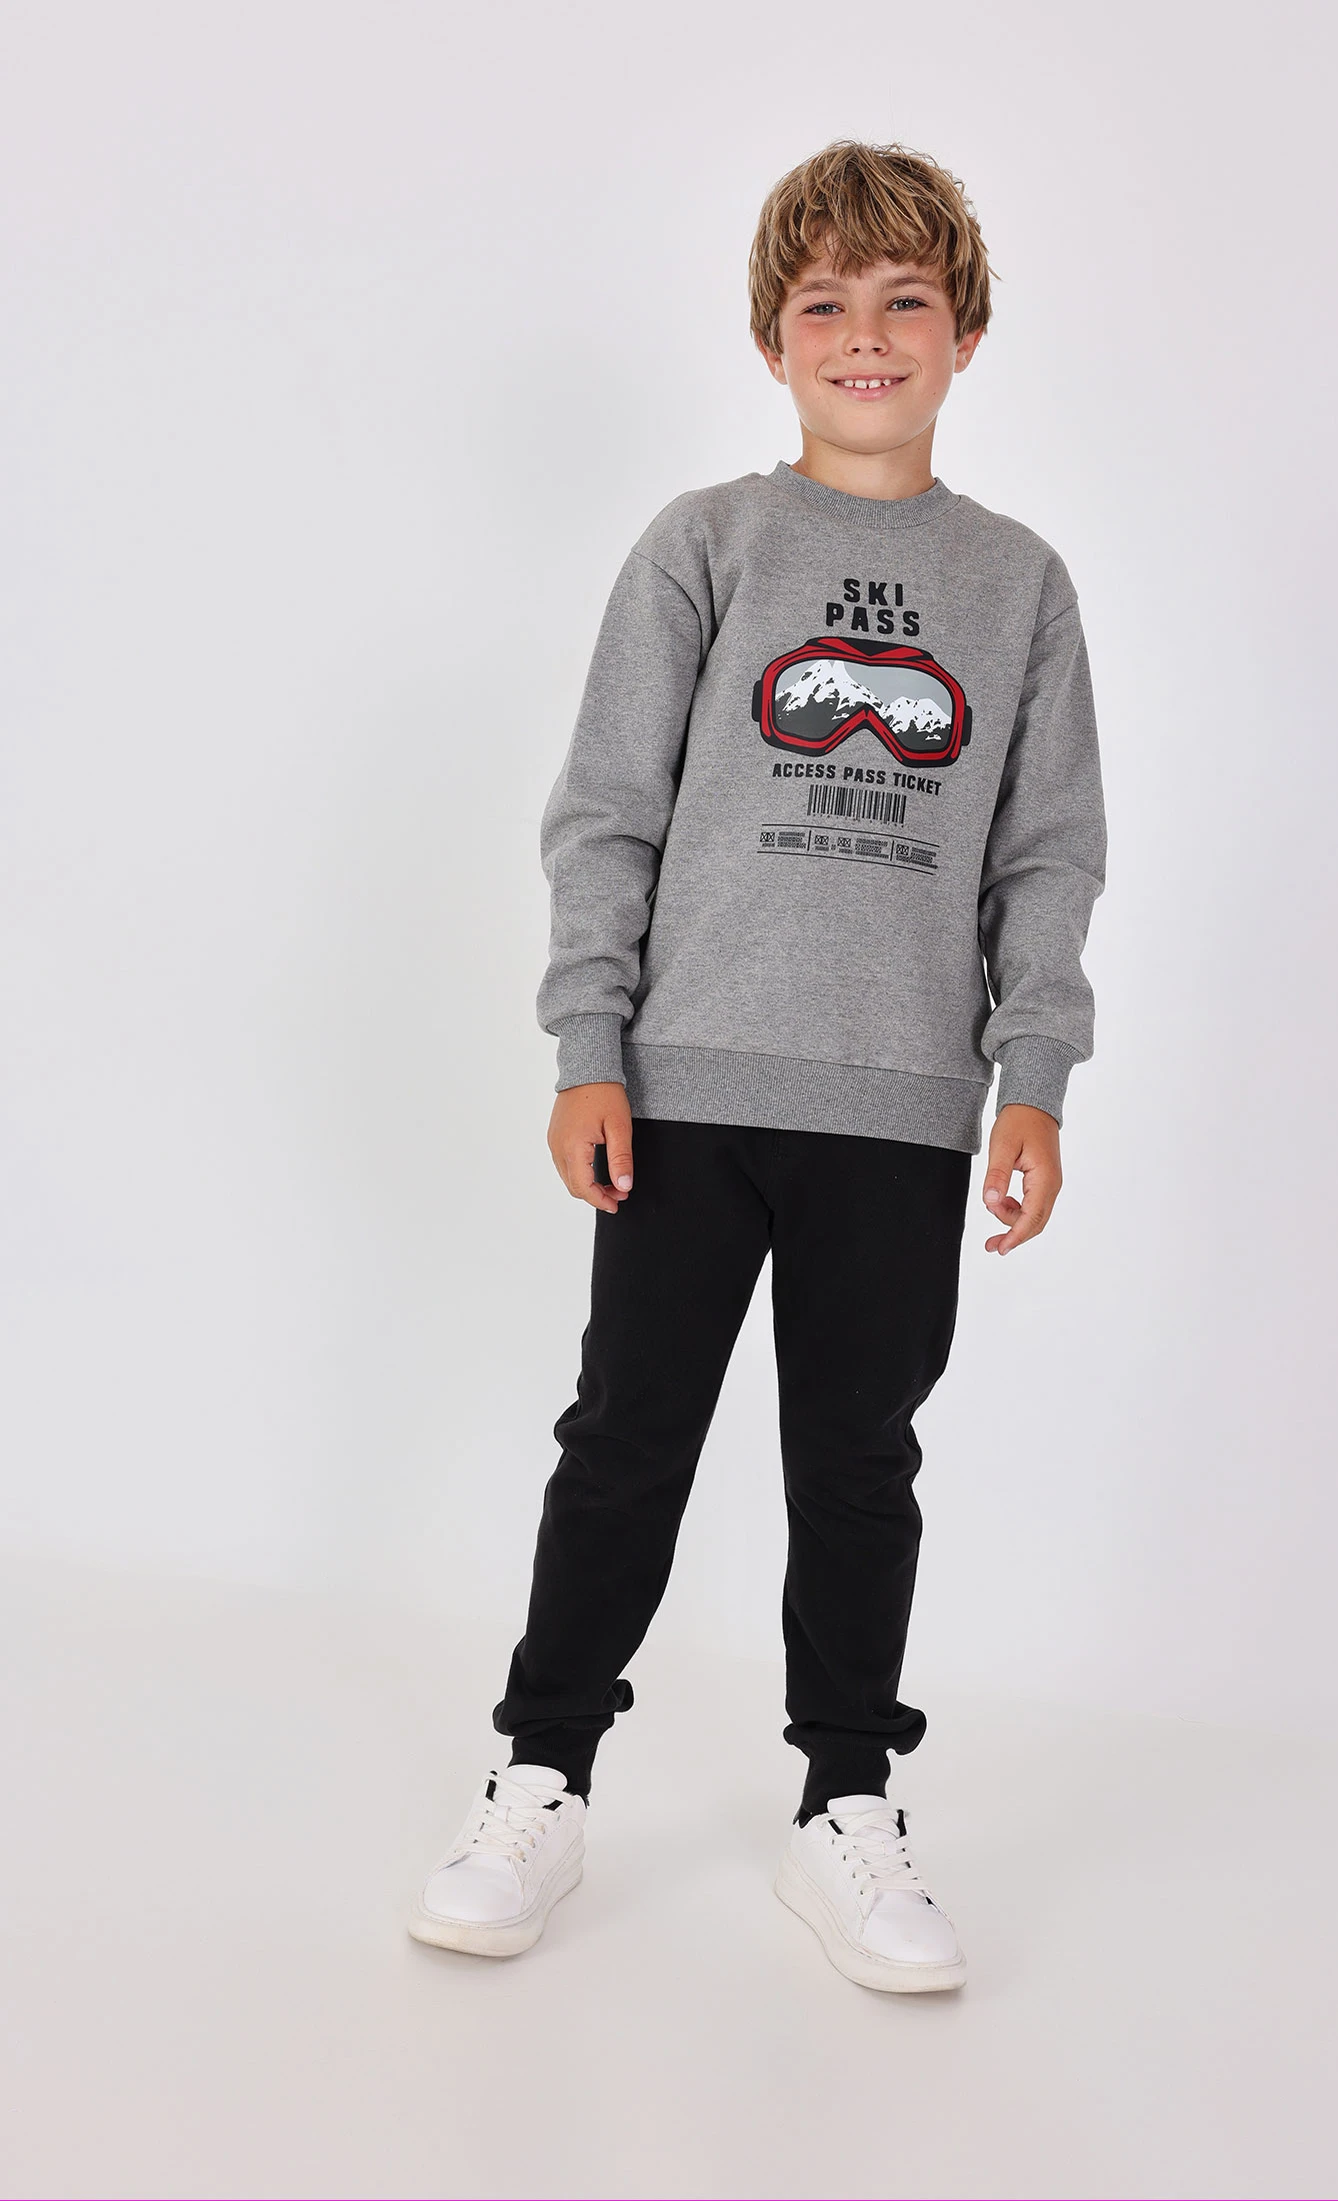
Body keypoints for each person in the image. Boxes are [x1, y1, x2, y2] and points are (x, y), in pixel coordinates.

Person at [408, 140, 1107, 1993]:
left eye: (904, 301)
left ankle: (844, 1803)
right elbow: (607, 810)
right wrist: (589, 1044)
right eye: (825, 303)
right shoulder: (706, 544)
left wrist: (1032, 1076)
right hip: (688, 1087)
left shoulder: (1018, 585)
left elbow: (1045, 855)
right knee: (624, 1439)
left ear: (963, 335)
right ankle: (541, 1775)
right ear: (771, 339)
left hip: (901, 1106)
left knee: (858, 1461)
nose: (865, 334)